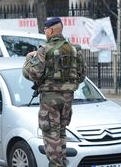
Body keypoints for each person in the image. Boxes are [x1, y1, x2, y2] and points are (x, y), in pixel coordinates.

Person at [23, 17, 86, 167]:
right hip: (68, 98)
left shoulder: (44, 50)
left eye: (45, 30)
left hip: (50, 98)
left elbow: (33, 74)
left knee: (51, 134)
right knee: (61, 132)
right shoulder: (74, 49)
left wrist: (28, 60)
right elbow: (82, 75)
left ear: (50, 30)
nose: (45, 32)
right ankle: (62, 163)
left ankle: (56, 165)